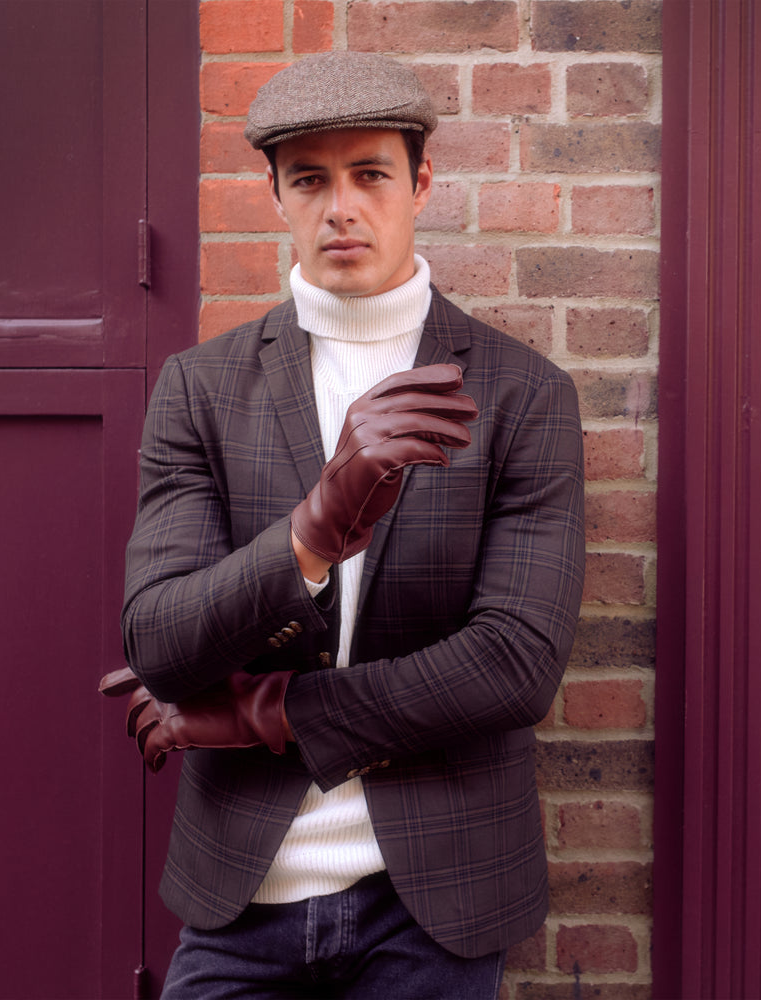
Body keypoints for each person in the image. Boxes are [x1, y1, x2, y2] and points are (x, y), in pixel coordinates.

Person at [101, 50, 585, 999]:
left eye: (370, 174)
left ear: (422, 182)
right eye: (311, 179)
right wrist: (311, 538)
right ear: (275, 193)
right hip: (242, 895)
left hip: (434, 897)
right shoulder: (199, 389)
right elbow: (160, 638)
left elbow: (516, 663)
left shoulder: (523, 394)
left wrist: (263, 715)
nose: (341, 207)